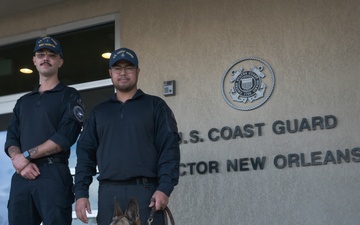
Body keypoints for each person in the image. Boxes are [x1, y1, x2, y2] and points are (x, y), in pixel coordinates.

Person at [74, 47, 180, 225]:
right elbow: (85, 155)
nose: (123, 73)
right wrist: (81, 193)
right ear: (110, 73)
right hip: (108, 194)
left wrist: (164, 188)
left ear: (137, 71)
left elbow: (169, 149)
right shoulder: (99, 112)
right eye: (117, 68)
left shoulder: (156, 106)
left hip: (146, 192)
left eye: (128, 67)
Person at [4, 36, 84, 225]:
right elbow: (11, 138)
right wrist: (20, 162)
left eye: (51, 55)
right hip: (22, 177)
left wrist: (26, 156)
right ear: (34, 60)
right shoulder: (24, 101)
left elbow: (65, 135)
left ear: (60, 61)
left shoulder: (69, 96)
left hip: (53, 175)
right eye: (41, 54)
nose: (45, 58)